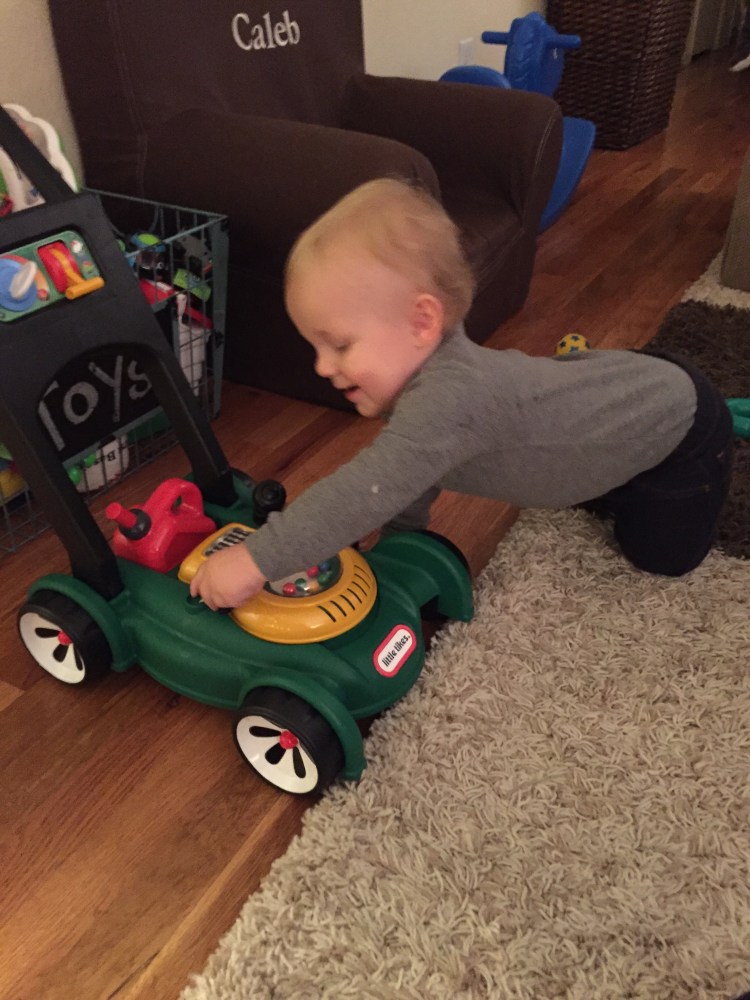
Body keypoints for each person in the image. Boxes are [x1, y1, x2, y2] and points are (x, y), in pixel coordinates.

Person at [190, 178, 733, 610]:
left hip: (683, 425)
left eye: (340, 345)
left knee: (660, 557)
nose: (322, 367)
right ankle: (618, 464)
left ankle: (646, 469)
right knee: (590, 456)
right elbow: (411, 475)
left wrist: (256, 560)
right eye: (316, 347)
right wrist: (401, 540)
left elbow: (366, 490)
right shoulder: (421, 391)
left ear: (421, 321)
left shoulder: (451, 397)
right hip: (616, 398)